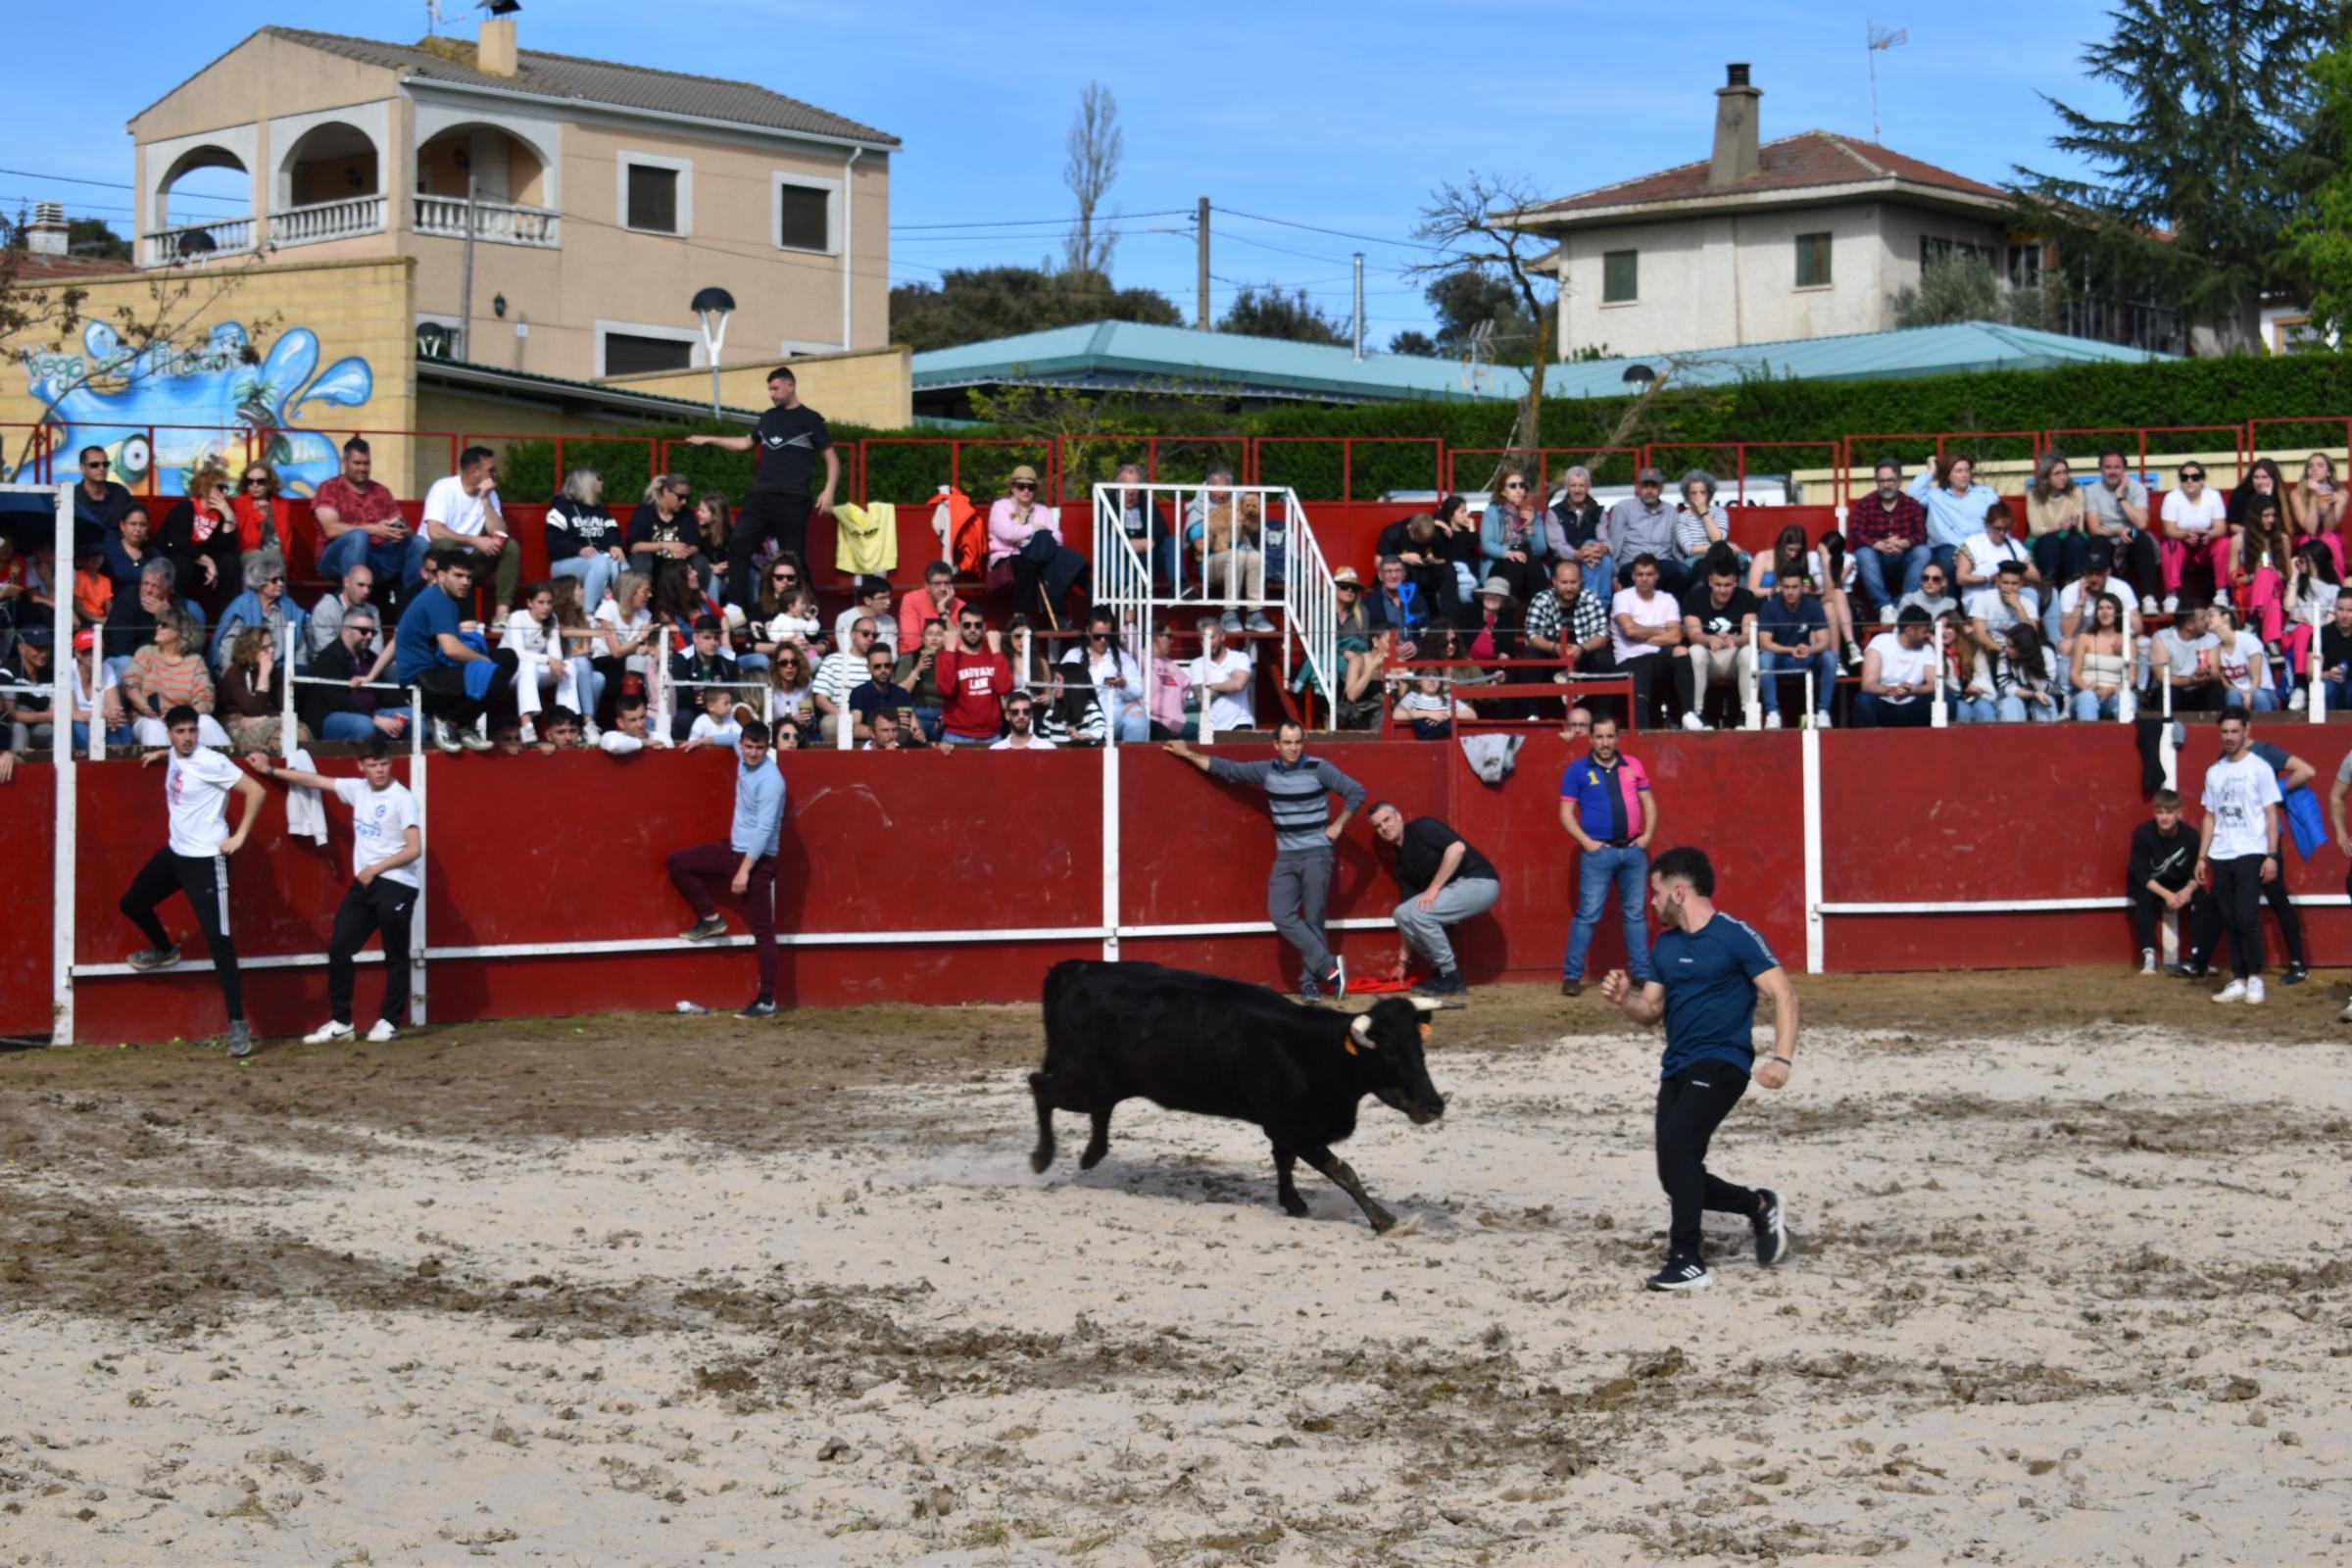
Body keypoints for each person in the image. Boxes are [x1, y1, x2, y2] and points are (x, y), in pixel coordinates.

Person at [1599, 845, 1796, 1294]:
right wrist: (1622, 1000)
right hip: (1677, 1066)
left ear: (1679, 890)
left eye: (1656, 892)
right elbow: (1651, 1011)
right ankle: (1760, 1205)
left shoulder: (1735, 936)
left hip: (1723, 1063)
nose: (1651, 902)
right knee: (1674, 1173)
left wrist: (1781, 1059)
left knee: (1679, 1148)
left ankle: (1687, 1258)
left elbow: (1784, 994)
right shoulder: (1666, 946)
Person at [242, 736, 422, 1043]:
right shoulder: (358, 789)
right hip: (365, 884)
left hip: (396, 883)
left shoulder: (402, 798)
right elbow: (315, 780)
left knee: (395, 954)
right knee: (339, 947)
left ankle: (389, 1021)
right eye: (373, 765)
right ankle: (342, 1022)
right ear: (361, 766)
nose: (380, 770)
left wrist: (376, 868)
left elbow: (415, 849)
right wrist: (270, 771)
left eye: (384, 764)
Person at [1166, 722, 1364, 1001]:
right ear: (1276, 745)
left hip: (1317, 853)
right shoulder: (1267, 770)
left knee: (1314, 918)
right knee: (1281, 914)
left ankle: (1310, 982)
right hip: (1286, 855)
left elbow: (1356, 791)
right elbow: (1227, 770)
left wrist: (1340, 825)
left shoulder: (1320, 768)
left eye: (1297, 742)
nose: (1293, 748)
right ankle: (1328, 965)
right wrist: (1187, 753)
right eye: (1287, 742)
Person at [119, 705, 266, 1056]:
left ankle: (237, 1024)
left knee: (221, 943)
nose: (187, 738)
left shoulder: (211, 761)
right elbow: (175, 755)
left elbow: (256, 791)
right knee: (132, 903)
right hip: (176, 854)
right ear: (169, 733)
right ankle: (166, 950)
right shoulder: (174, 753)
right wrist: (159, 753)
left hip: (208, 860)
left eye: (192, 731)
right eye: (180, 732)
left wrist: (240, 836)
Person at [687, 367, 838, 609]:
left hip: (793, 499)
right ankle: (735, 607)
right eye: (769, 389)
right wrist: (708, 439)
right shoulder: (768, 417)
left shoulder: (811, 419)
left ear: (791, 386)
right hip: (760, 497)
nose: (772, 394)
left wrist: (828, 490)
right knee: (738, 544)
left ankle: (804, 607)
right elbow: (746, 443)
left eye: (776, 388)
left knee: (792, 558)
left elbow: (831, 457)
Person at [672, 718, 788, 1019]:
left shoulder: (772, 781)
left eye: (759, 748)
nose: (752, 753)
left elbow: (765, 829)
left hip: (758, 860)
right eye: (748, 747)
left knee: (763, 930)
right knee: (678, 863)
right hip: (732, 849)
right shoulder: (740, 749)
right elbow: (729, 737)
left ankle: (766, 1000)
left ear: (768, 748)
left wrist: (745, 871)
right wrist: (701, 742)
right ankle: (710, 918)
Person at [1559, 710, 1657, 999]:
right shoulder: (1577, 770)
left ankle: (1640, 972)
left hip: (1632, 850)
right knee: (1588, 914)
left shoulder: (1633, 765)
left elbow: (1648, 803)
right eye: (1599, 736)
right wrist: (1587, 843)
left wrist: (1647, 836)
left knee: (1635, 914)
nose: (1605, 742)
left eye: (1610, 736)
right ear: (1590, 739)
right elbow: (1565, 814)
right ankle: (1572, 975)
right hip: (1598, 852)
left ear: (1617, 738)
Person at [393, 549, 519, 754]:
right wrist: (483, 660)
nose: (465, 582)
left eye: (468, 577)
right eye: (458, 575)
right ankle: (448, 720)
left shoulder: (445, 599)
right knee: (494, 674)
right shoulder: (437, 601)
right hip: (421, 680)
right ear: (441, 576)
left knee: (507, 657)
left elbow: (399, 639)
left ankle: (462, 724)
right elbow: (451, 650)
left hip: (437, 669)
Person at [1368, 801, 1498, 999]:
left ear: (1399, 817)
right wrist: (1402, 962)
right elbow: (1407, 915)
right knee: (1401, 914)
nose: (1384, 827)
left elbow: (1457, 849)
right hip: (1459, 888)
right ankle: (1441, 972)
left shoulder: (1422, 827)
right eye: (1378, 826)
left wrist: (1434, 887)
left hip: (1480, 882)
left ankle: (1451, 977)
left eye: (1386, 820)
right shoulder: (1402, 863)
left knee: (1422, 913)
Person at [2197, 709, 2282, 1004]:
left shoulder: (2260, 768)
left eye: (2235, 731)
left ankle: (2255, 977)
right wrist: (2201, 858)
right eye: (2225, 732)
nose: (2230, 737)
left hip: (2251, 850)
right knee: (2230, 918)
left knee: (2246, 916)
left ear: (2246, 731)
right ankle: (2240, 978)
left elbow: (2271, 815)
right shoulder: (2214, 772)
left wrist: (2271, 855)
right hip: (2221, 852)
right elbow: (2209, 816)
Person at [314, 437, 424, 589]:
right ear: (344, 463)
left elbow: (403, 524)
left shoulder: (381, 491)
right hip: (335, 559)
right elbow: (330, 529)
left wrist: (400, 531)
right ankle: (354, 604)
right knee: (358, 537)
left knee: (419, 543)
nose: (362, 468)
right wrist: (374, 529)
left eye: (366, 463)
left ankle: (411, 602)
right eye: (357, 463)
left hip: (377, 557)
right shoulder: (329, 488)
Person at [421, 446, 518, 609]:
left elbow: (500, 533)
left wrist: (486, 500)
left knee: (510, 546)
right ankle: (441, 602)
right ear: (474, 471)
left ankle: (502, 613)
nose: (495, 475)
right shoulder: (443, 488)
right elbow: (435, 531)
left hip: (471, 561)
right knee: (446, 544)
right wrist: (475, 541)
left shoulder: (490, 494)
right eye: (491, 470)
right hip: (440, 559)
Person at [2129, 788, 2209, 977]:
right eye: (2159, 812)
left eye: (2169, 812)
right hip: (2153, 885)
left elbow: (2200, 873)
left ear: (2179, 813)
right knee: (2143, 898)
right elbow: (2140, 874)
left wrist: (2188, 890)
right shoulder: (2143, 834)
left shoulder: (2191, 837)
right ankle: (2148, 955)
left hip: (2181, 885)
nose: (2164, 818)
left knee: (2204, 900)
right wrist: (2166, 895)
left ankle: (2199, 956)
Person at [303, 605, 409, 743]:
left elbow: (385, 692)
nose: (370, 636)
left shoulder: (370, 658)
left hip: (372, 713)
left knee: (415, 717)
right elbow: (338, 700)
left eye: (373, 632)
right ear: (347, 631)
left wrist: (406, 704)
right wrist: (375, 719)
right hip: (335, 716)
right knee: (364, 726)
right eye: (364, 631)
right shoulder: (329, 658)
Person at [1673, 559, 1757, 731]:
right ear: (1710, 581)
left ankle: (1746, 714)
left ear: (1735, 582)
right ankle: (1697, 713)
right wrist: (1709, 640)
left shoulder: (1746, 597)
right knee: (1695, 650)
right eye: (1718, 585)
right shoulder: (1694, 597)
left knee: (1749, 652)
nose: (1723, 590)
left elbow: (1749, 635)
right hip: (1708, 657)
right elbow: (1694, 634)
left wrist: (1735, 640)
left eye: (1728, 585)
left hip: (1734, 657)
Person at [1847, 457, 1931, 615]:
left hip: (1904, 560)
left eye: (1890, 480)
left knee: (1923, 552)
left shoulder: (1912, 504)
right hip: (1876, 561)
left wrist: (1903, 543)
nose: (1886, 485)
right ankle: (1885, 606)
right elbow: (1855, 534)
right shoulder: (1865, 504)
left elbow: (1922, 534)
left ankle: (1903, 605)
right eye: (1881, 481)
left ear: (1899, 481)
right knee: (1863, 553)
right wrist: (1878, 544)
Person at [1755, 571, 1837, 729]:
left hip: (1805, 658)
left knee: (1830, 657)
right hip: (1781, 659)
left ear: (1801, 588)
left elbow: (1825, 640)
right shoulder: (1769, 607)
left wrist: (1810, 649)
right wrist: (1790, 650)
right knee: (1765, 658)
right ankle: (1773, 714)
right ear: (1780, 587)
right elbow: (1764, 643)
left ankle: (1823, 713)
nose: (1790, 591)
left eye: (1794, 587)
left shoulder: (1813, 605)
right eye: (1786, 587)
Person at [1610, 554, 1682, 726]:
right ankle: (1641, 733)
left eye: (1649, 574)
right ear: (1633, 576)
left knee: (1682, 652)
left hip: (1658, 659)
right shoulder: (1622, 597)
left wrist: (1645, 636)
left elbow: (1677, 636)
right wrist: (1662, 631)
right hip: (1629, 659)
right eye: (1640, 574)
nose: (1644, 579)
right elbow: (1630, 631)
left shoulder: (1667, 599)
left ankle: (1687, 716)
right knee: (1641, 667)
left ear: (1657, 576)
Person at [1058, 609, 1150, 743]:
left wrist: (1123, 685)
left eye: (1107, 636)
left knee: (1138, 714)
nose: (1102, 640)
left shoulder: (1123, 658)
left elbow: (1138, 691)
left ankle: (1132, 762)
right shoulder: (1073, 656)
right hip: (1079, 715)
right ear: (1088, 631)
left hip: (1111, 716)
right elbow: (1058, 686)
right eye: (1097, 636)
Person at [2086, 449, 2162, 611]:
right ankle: (2100, 599)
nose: (2112, 471)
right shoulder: (2092, 490)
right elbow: (2093, 528)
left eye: (2116, 467)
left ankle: (2149, 598)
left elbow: (2141, 523)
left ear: (2123, 470)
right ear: (2101, 469)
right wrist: (2116, 531)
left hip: (2131, 533)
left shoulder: (2137, 489)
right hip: (2107, 534)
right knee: (2097, 542)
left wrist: (2120, 496)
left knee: (2141, 537)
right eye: (2108, 467)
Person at [545, 466, 627, 614]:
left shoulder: (600, 509)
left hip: (599, 558)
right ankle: (588, 614)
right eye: (599, 480)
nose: (602, 483)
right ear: (587, 483)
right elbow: (554, 542)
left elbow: (612, 531)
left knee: (622, 566)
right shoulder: (561, 508)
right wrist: (579, 549)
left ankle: (620, 613)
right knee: (600, 563)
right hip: (566, 561)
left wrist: (615, 546)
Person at [1908, 454, 1999, 584]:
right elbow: (1912, 495)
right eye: (1958, 471)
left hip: (1980, 547)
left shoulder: (1985, 493)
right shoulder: (1935, 495)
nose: (1964, 475)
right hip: (1948, 548)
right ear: (1947, 475)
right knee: (1947, 562)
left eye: (1967, 470)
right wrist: (1932, 471)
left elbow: (1999, 519)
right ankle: (1951, 604)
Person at [2159, 463, 2230, 613]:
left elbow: (2221, 527)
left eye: (2195, 477)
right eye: (2185, 477)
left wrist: (2209, 535)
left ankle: (2221, 592)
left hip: (2206, 545)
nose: (2189, 481)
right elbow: (2169, 530)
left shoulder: (2213, 496)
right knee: (2170, 544)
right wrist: (2185, 535)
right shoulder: (2172, 498)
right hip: (2182, 545)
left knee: (2224, 543)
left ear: (2202, 480)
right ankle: (2171, 594)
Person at [937, 609, 1012, 746]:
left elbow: (1004, 688)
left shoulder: (994, 655)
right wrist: (949, 651)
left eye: (977, 625)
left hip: (992, 735)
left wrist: (996, 651)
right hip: (956, 735)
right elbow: (946, 689)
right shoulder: (948, 655)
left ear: (984, 628)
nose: (972, 630)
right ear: (959, 628)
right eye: (967, 625)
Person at [1853, 607, 1936, 728]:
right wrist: (1893, 690)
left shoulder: (1927, 648)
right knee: (1864, 701)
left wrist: (1912, 690)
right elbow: (1868, 684)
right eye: (1924, 632)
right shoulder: (1881, 642)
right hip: (1885, 703)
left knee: (1944, 699)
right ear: (1909, 631)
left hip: (1913, 705)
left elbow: (1933, 683)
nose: (1928, 635)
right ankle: (1869, 743)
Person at [1606, 467, 1684, 595]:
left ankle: (1676, 613)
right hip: (1632, 563)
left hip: (1661, 563)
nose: (1649, 490)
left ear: (1661, 489)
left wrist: (1681, 564)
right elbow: (1614, 547)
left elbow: (1676, 550)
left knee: (1683, 573)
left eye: (1653, 486)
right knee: (1637, 576)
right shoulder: (1623, 508)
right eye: (1645, 486)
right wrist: (1615, 575)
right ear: (1638, 488)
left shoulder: (1671, 511)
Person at [1479, 466, 1550, 602]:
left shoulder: (1534, 514)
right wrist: (1509, 553)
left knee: (1526, 555)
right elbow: (1486, 544)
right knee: (1518, 556)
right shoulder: (1493, 511)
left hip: (1529, 564)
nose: (1519, 490)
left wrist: (1529, 526)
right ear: (1503, 492)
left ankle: (1539, 612)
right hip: (1500, 562)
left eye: (1522, 486)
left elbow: (1541, 550)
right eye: (1513, 486)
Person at [1544, 464, 1612, 599]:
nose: (1577, 490)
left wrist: (1600, 549)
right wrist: (1579, 554)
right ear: (1566, 487)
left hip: (1594, 559)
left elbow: (1605, 540)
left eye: (1581, 486)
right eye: (1573, 485)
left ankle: (1597, 605)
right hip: (1565, 560)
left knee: (1605, 559)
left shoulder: (1598, 512)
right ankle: (1593, 605)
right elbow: (1557, 546)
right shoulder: (1554, 512)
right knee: (1597, 556)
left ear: (1588, 487)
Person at [2068, 593, 2132, 722]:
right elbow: (2074, 673)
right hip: (2086, 692)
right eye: (2100, 608)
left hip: (2112, 694)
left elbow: (2132, 678)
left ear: (2117, 612)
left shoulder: (2127, 641)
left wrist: (2112, 689)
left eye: (2109, 608)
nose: (2104, 612)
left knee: (2127, 698)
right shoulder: (2084, 638)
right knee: (2087, 698)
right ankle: (2088, 740)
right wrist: (2088, 688)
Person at [73, 446, 133, 551]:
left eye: (105, 464)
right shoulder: (73, 496)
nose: (101, 468)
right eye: (94, 465)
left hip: (117, 553)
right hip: (85, 556)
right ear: (82, 468)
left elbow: (134, 521)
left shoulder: (120, 492)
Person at [898, 560, 966, 647]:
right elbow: (911, 642)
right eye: (937, 583)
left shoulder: (960, 606)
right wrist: (945, 642)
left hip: (948, 656)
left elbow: (961, 645)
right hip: (916, 657)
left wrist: (943, 613)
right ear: (927, 586)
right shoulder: (911, 600)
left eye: (947, 583)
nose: (943, 588)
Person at [990, 692, 1055, 750]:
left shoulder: (1048, 748)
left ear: (1032, 715)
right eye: (1015, 712)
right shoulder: (996, 750)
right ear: (1007, 715)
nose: (1021, 716)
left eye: (1026, 711)